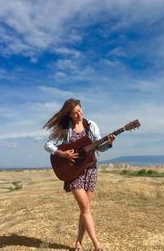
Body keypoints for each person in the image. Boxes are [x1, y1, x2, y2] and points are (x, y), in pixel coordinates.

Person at [43, 98, 115, 251]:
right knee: (85, 208)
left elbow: (99, 148)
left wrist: (108, 143)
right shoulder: (65, 128)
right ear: (69, 115)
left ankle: (78, 243)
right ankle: (97, 245)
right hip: (73, 172)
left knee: (85, 209)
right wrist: (62, 153)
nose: (79, 114)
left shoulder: (91, 125)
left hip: (90, 169)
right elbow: (47, 145)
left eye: (80, 110)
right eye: (75, 113)